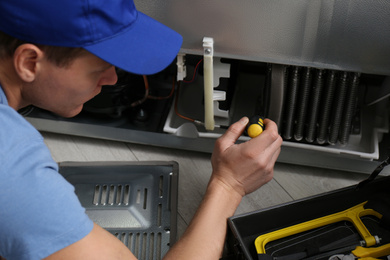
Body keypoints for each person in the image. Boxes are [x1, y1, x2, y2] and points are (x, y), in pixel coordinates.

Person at [0, 0, 283, 259]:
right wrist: (229, 185)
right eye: (100, 68)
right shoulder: (12, 166)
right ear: (29, 62)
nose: (112, 79)